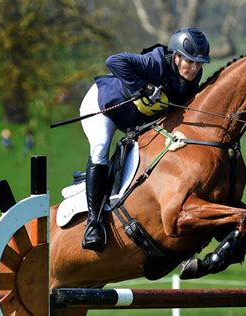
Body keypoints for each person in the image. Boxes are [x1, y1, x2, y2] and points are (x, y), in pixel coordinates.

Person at [79, 27, 210, 252]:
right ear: (176, 56)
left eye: (199, 63)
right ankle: (94, 223)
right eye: (190, 61)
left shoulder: (192, 78)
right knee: (100, 148)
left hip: (134, 121)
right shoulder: (155, 63)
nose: (194, 68)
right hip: (104, 106)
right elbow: (114, 61)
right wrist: (144, 87)